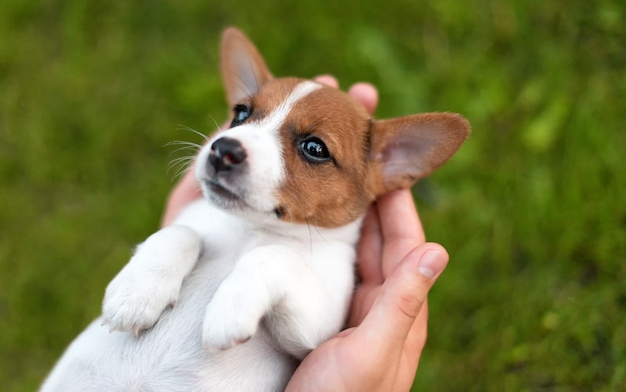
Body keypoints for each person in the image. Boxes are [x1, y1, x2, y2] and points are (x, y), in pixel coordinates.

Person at [162, 76, 450, 392]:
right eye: (245, 115)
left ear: (390, 161)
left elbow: (306, 334)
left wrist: (266, 271)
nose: (235, 145)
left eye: (313, 148)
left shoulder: (327, 267)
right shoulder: (203, 220)